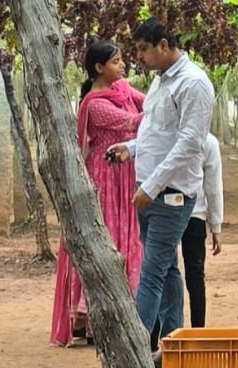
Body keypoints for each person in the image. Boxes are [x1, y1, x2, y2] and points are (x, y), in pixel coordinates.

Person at [107, 19, 215, 362]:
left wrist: (151, 187)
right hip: (152, 189)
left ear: (164, 45)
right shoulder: (159, 83)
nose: (138, 57)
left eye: (143, 49)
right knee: (167, 270)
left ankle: (134, 352)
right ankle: (173, 347)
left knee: (151, 272)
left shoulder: (194, 83)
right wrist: (131, 148)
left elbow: (189, 143)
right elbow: (158, 135)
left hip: (171, 193)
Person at [51, 41, 146, 346]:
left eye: (122, 60)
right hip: (106, 176)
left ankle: (120, 310)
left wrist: (162, 100)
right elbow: (132, 121)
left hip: (125, 172)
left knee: (125, 236)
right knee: (110, 237)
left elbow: (145, 102)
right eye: (116, 62)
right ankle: (93, 316)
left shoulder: (122, 90)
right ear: (99, 68)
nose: (123, 66)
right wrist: (171, 106)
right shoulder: (95, 103)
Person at [150, 132, 224, 351]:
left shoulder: (168, 138)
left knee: (160, 273)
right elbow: (213, 186)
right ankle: (196, 337)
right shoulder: (208, 141)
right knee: (194, 277)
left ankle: (153, 340)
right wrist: (216, 225)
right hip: (194, 214)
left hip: (170, 213)